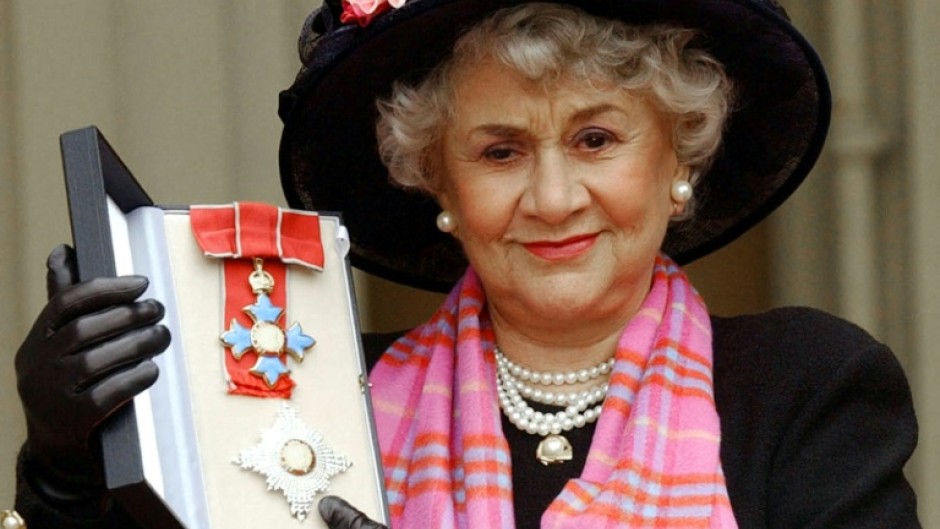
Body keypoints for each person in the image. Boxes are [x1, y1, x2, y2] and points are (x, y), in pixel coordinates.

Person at [10, 0, 920, 528]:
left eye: (597, 137)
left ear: (676, 158)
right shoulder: (317, 394)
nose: (554, 196)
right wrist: (65, 465)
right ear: (436, 181)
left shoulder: (805, 386)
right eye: (499, 151)